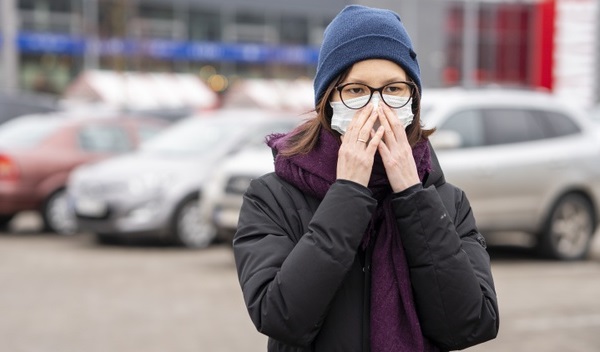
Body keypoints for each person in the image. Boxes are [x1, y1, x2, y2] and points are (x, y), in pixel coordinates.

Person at [233, 5, 499, 352]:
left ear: (413, 100)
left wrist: (412, 195)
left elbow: (470, 324)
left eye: (393, 89)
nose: (377, 107)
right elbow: (281, 316)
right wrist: (347, 194)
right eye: (357, 90)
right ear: (329, 100)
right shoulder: (271, 197)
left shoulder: (446, 201)